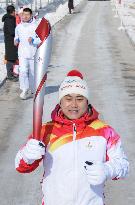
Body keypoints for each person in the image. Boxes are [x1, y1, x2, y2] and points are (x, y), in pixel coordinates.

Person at [15, 70, 129, 205]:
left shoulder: (104, 131)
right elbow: (21, 167)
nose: (74, 104)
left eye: (80, 99)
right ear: (61, 102)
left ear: (87, 101)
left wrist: (107, 170)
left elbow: (123, 165)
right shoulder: (45, 130)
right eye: (68, 98)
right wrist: (27, 156)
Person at [14, 8, 40, 100]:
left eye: (27, 15)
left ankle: (33, 90)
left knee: (33, 73)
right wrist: (16, 40)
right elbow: (16, 37)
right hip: (22, 53)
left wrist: (33, 40)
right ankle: (24, 89)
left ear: (31, 15)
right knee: (23, 71)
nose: (25, 16)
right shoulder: (18, 27)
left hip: (33, 53)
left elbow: (40, 39)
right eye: (23, 14)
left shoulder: (36, 26)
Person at [2, 5, 18, 81]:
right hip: (10, 41)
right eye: (14, 11)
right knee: (10, 58)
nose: (15, 12)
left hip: (10, 41)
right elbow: (12, 31)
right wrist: (18, 32)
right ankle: (9, 75)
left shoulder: (9, 19)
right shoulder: (9, 20)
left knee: (11, 57)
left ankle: (11, 74)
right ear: (12, 11)